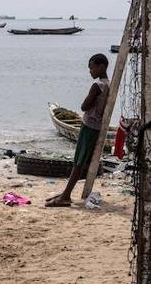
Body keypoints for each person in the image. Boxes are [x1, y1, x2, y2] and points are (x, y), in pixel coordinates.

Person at [47, 54, 110, 207]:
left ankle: (66, 196)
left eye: (92, 67)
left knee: (79, 162)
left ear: (101, 66)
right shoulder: (107, 83)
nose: (90, 71)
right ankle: (65, 193)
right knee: (80, 161)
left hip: (90, 126)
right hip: (96, 126)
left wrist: (88, 101)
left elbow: (84, 106)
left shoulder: (98, 85)